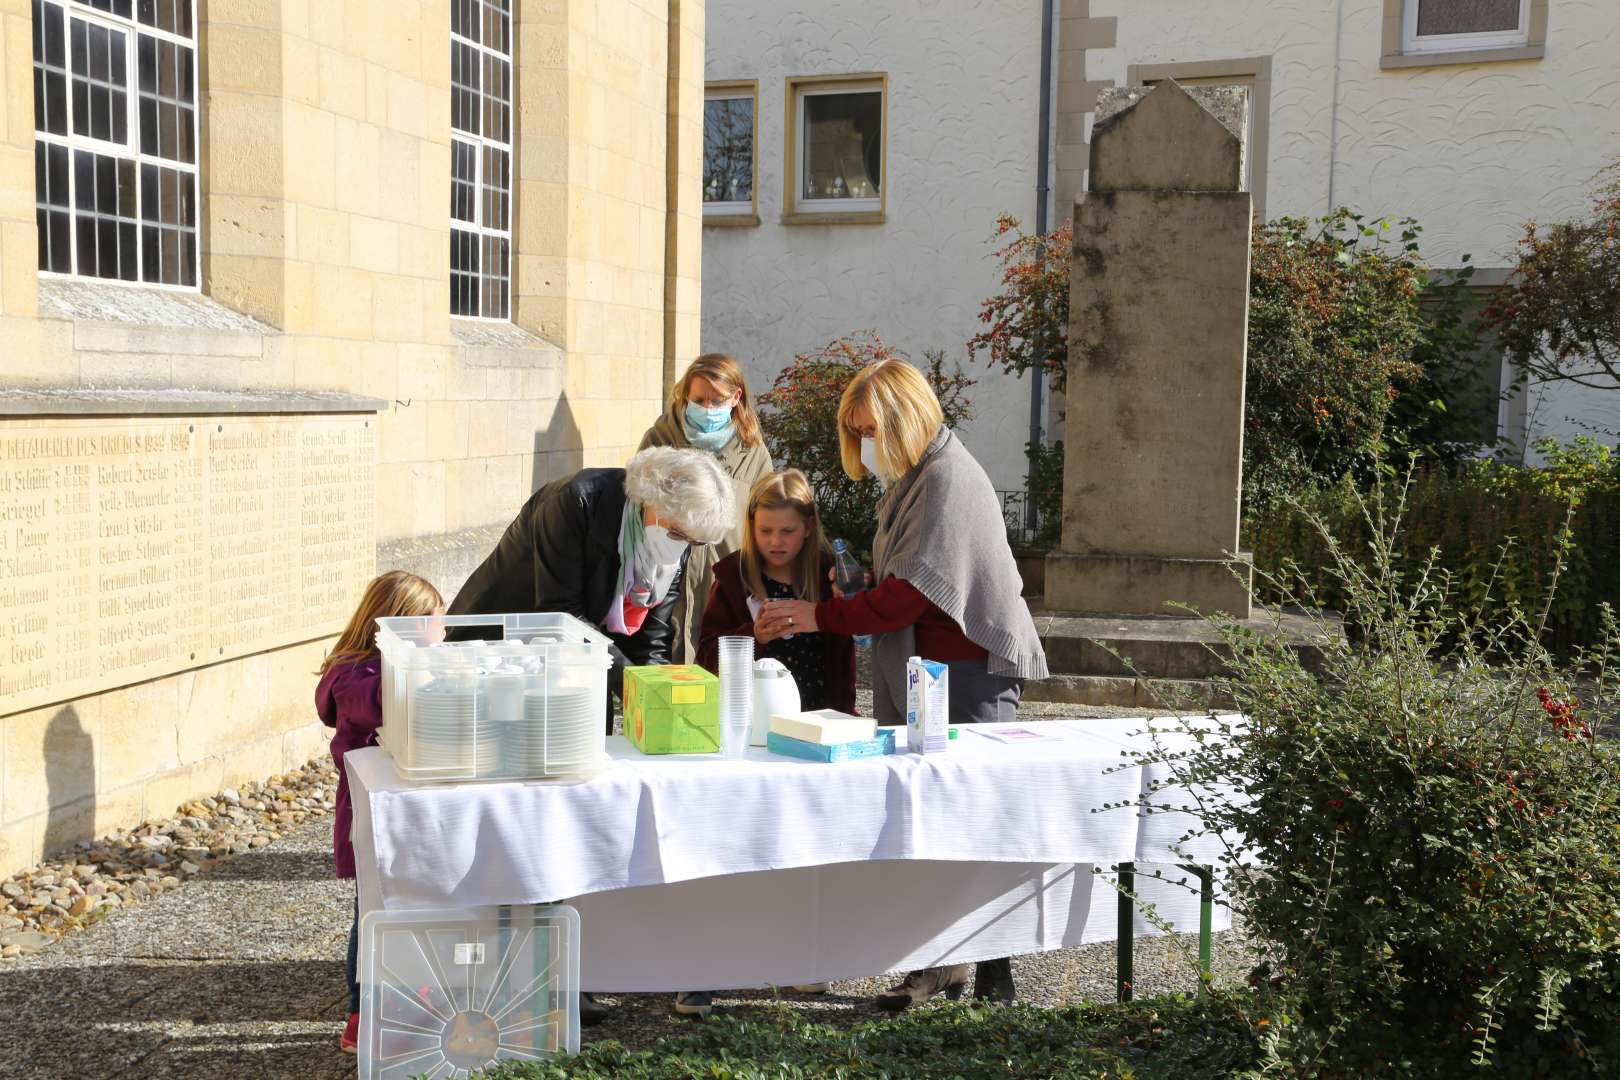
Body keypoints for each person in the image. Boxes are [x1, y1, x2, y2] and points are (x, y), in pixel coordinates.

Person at [757, 359, 1049, 1012]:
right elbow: (906, 585)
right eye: (855, 430)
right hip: (929, 669)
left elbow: (913, 595)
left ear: (905, 419)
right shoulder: (918, 475)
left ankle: (994, 972)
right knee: (931, 821)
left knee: (978, 821)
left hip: (967, 674)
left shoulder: (943, 480)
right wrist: (860, 588)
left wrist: (824, 613)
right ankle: (939, 968)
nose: (862, 442)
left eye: (870, 428)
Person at [447, 445, 736, 733]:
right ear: (651, 499)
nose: (681, 545)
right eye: (676, 533)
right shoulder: (576, 501)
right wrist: (636, 686)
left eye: (694, 541)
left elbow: (653, 638)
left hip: (581, 664)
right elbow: (561, 616)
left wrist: (659, 701)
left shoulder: (679, 537)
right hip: (499, 653)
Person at [316, 570, 444, 1054]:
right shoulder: (361, 680)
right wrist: (425, 674)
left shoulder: (370, 671)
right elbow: (383, 704)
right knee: (373, 913)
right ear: (405, 627)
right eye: (437, 622)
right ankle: (362, 1009)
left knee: (409, 907)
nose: (444, 632)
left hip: (399, 815)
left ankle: (410, 994)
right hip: (372, 819)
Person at [638, 353, 773, 664]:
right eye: (699, 399)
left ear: (736, 398)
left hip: (724, 581)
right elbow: (637, 502)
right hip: (668, 580)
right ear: (685, 395)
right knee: (666, 667)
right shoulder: (660, 439)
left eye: (717, 400)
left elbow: (764, 517)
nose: (708, 409)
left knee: (719, 669)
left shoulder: (752, 452)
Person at [698, 469, 857, 716]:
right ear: (751, 527)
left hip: (819, 719)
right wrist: (753, 636)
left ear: (808, 527)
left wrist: (843, 715)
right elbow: (707, 658)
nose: (775, 542)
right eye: (765, 531)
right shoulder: (733, 578)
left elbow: (844, 657)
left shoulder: (829, 577)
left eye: (787, 531)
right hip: (752, 720)